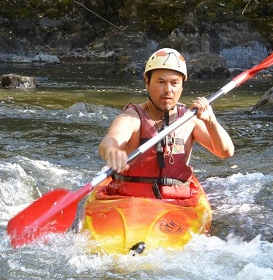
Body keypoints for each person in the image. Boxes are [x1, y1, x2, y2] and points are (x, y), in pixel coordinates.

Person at [98, 48, 234, 201]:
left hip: (177, 204)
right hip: (130, 201)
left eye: (175, 83)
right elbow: (110, 141)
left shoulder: (190, 119)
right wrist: (111, 151)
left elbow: (226, 152)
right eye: (161, 82)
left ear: (182, 86)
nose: (168, 90)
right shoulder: (132, 117)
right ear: (147, 82)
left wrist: (211, 121)